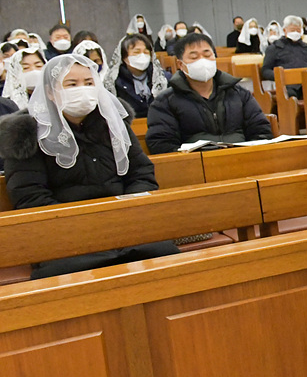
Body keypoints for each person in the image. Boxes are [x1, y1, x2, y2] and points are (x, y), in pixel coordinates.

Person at [0, 54, 179, 277]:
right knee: (74, 270)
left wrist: (127, 211)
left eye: (88, 83)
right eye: (71, 84)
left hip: (124, 221)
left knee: (165, 258)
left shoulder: (112, 121)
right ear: (50, 92)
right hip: (64, 231)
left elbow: (141, 172)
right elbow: (29, 196)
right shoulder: (27, 132)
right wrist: (84, 223)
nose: (82, 90)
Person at [145, 33, 272, 153]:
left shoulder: (239, 93)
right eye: (194, 57)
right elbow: (161, 144)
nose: (202, 61)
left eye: (207, 55)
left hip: (242, 158)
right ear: (181, 65)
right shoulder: (165, 102)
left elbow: (261, 130)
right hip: (197, 163)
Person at [110, 33, 170, 118]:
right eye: (136, 52)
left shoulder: (163, 78)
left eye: (146, 52)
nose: (142, 56)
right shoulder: (115, 83)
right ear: (124, 57)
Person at [260, 15, 307, 97]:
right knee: (290, 96)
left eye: (298, 30)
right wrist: (281, 76)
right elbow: (265, 70)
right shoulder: (275, 48)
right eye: (292, 30)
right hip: (287, 86)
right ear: (285, 30)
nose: (295, 32)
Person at [1, 45, 46, 111]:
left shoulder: (55, 98)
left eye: (38, 66)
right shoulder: (6, 105)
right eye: (26, 68)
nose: (33, 70)